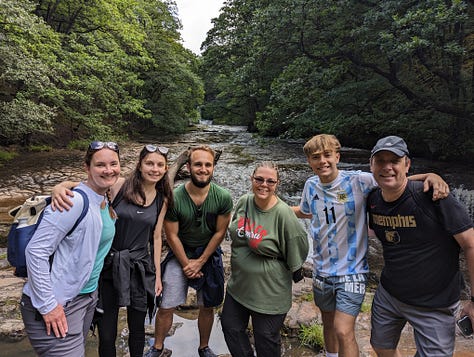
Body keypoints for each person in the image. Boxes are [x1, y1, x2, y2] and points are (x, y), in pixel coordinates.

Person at [292, 134, 450, 357]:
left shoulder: (358, 181)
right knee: (328, 324)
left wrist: (431, 175)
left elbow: (396, 180)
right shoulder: (310, 185)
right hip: (321, 271)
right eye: (316, 157)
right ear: (309, 162)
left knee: (343, 330)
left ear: (337, 156)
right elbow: (306, 211)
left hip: (352, 271)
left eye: (327, 155)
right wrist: (273, 206)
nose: (322, 161)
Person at [51, 144, 173, 357]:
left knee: (138, 330)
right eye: (149, 163)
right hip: (109, 266)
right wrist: (61, 186)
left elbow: (155, 237)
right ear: (140, 165)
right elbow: (88, 184)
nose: (154, 169)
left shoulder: (163, 199)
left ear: (165, 169)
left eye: (159, 165)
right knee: (107, 333)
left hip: (139, 268)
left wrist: (158, 276)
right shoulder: (119, 186)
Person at [367, 135, 474, 356]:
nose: (387, 167)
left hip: (435, 304)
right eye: (381, 161)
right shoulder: (373, 199)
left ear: (407, 164)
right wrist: (428, 174)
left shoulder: (435, 197)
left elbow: (471, 245)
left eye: (394, 161)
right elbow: (392, 182)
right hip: (389, 296)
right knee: (380, 347)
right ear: (371, 165)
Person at [20, 141, 121, 357]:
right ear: (87, 167)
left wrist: (64, 183)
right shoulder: (73, 201)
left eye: (114, 163)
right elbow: (36, 252)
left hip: (85, 297)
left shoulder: (102, 197)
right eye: (100, 165)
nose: (108, 169)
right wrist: (48, 306)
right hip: (57, 302)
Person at [144, 145, 233, 357]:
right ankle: (157, 346)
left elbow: (220, 233)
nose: (203, 169)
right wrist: (186, 264)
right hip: (180, 253)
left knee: (208, 305)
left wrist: (200, 262)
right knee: (166, 304)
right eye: (198, 164)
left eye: (208, 165)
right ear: (189, 167)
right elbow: (171, 235)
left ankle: (203, 347)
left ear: (213, 168)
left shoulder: (222, 197)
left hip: (208, 255)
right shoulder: (175, 197)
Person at [221, 161, 309, 357]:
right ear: (252, 179)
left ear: (277, 184)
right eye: (259, 179)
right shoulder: (244, 201)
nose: (264, 184)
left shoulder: (283, 214)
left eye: (270, 181)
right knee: (230, 328)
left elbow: (300, 244)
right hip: (238, 288)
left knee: (266, 342)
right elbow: (236, 230)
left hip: (268, 294)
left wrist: (292, 267)